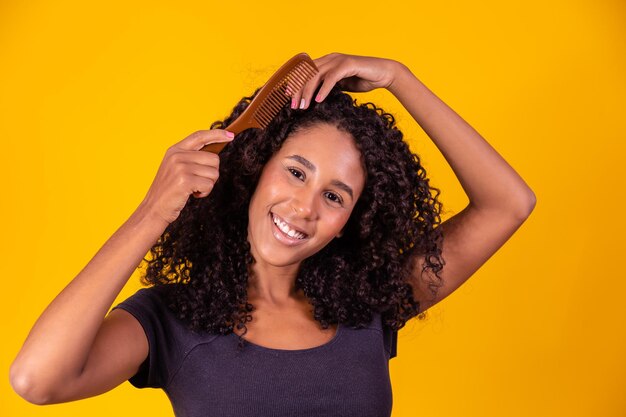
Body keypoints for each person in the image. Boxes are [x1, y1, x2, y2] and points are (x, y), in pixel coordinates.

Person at [10, 52, 536, 416]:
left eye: (335, 196)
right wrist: (153, 212)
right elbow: (37, 380)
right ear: (255, 169)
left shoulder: (369, 304)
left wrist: (399, 77)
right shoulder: (172, 321)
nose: (305, 208)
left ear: (351, 221)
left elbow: (509, 204)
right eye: (296, 172)